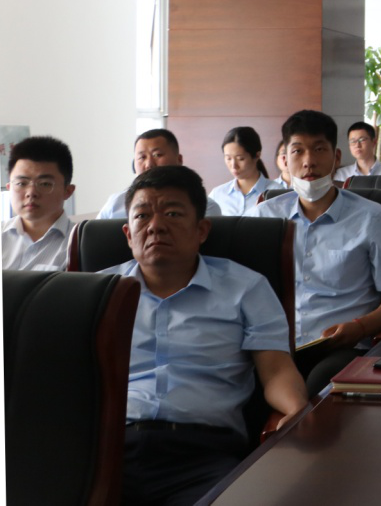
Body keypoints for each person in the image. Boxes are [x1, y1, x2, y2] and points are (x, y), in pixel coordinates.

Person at [103, 164, 307, 506]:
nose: (155, 226)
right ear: (127, 233)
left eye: (172, 213)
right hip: (107, 452)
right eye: (141, 216)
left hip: (204, 455)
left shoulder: (246, 288)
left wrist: (297, 409)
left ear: (201, 229)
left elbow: (275, 370)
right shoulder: (97, 292)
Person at [247, 110, 381, 395]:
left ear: (336, 157)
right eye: (298, 151)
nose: (309, 161)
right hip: (274, 346)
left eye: (319, 149)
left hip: (342, 348)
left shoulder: (372, 218)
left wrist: (361, 327)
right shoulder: (263, 218)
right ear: (285, 159)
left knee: (317, 392)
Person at [97, 129, 221, 219]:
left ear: (179, 160)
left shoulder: (206, 207)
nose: (149, 164)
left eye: (157, 155)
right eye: (142, 157)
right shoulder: (116, 203)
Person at [2, 136, 76, 271]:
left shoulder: (82, 244)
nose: (31, 193)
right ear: (9, 188)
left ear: (68, 191)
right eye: (21, 183)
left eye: (45, 184)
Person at [210, 126, 282, 216]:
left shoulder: (278, 193)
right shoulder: (217, 195)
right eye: (228, 158)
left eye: (240, 159)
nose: (233, 166)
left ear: (257, 156)